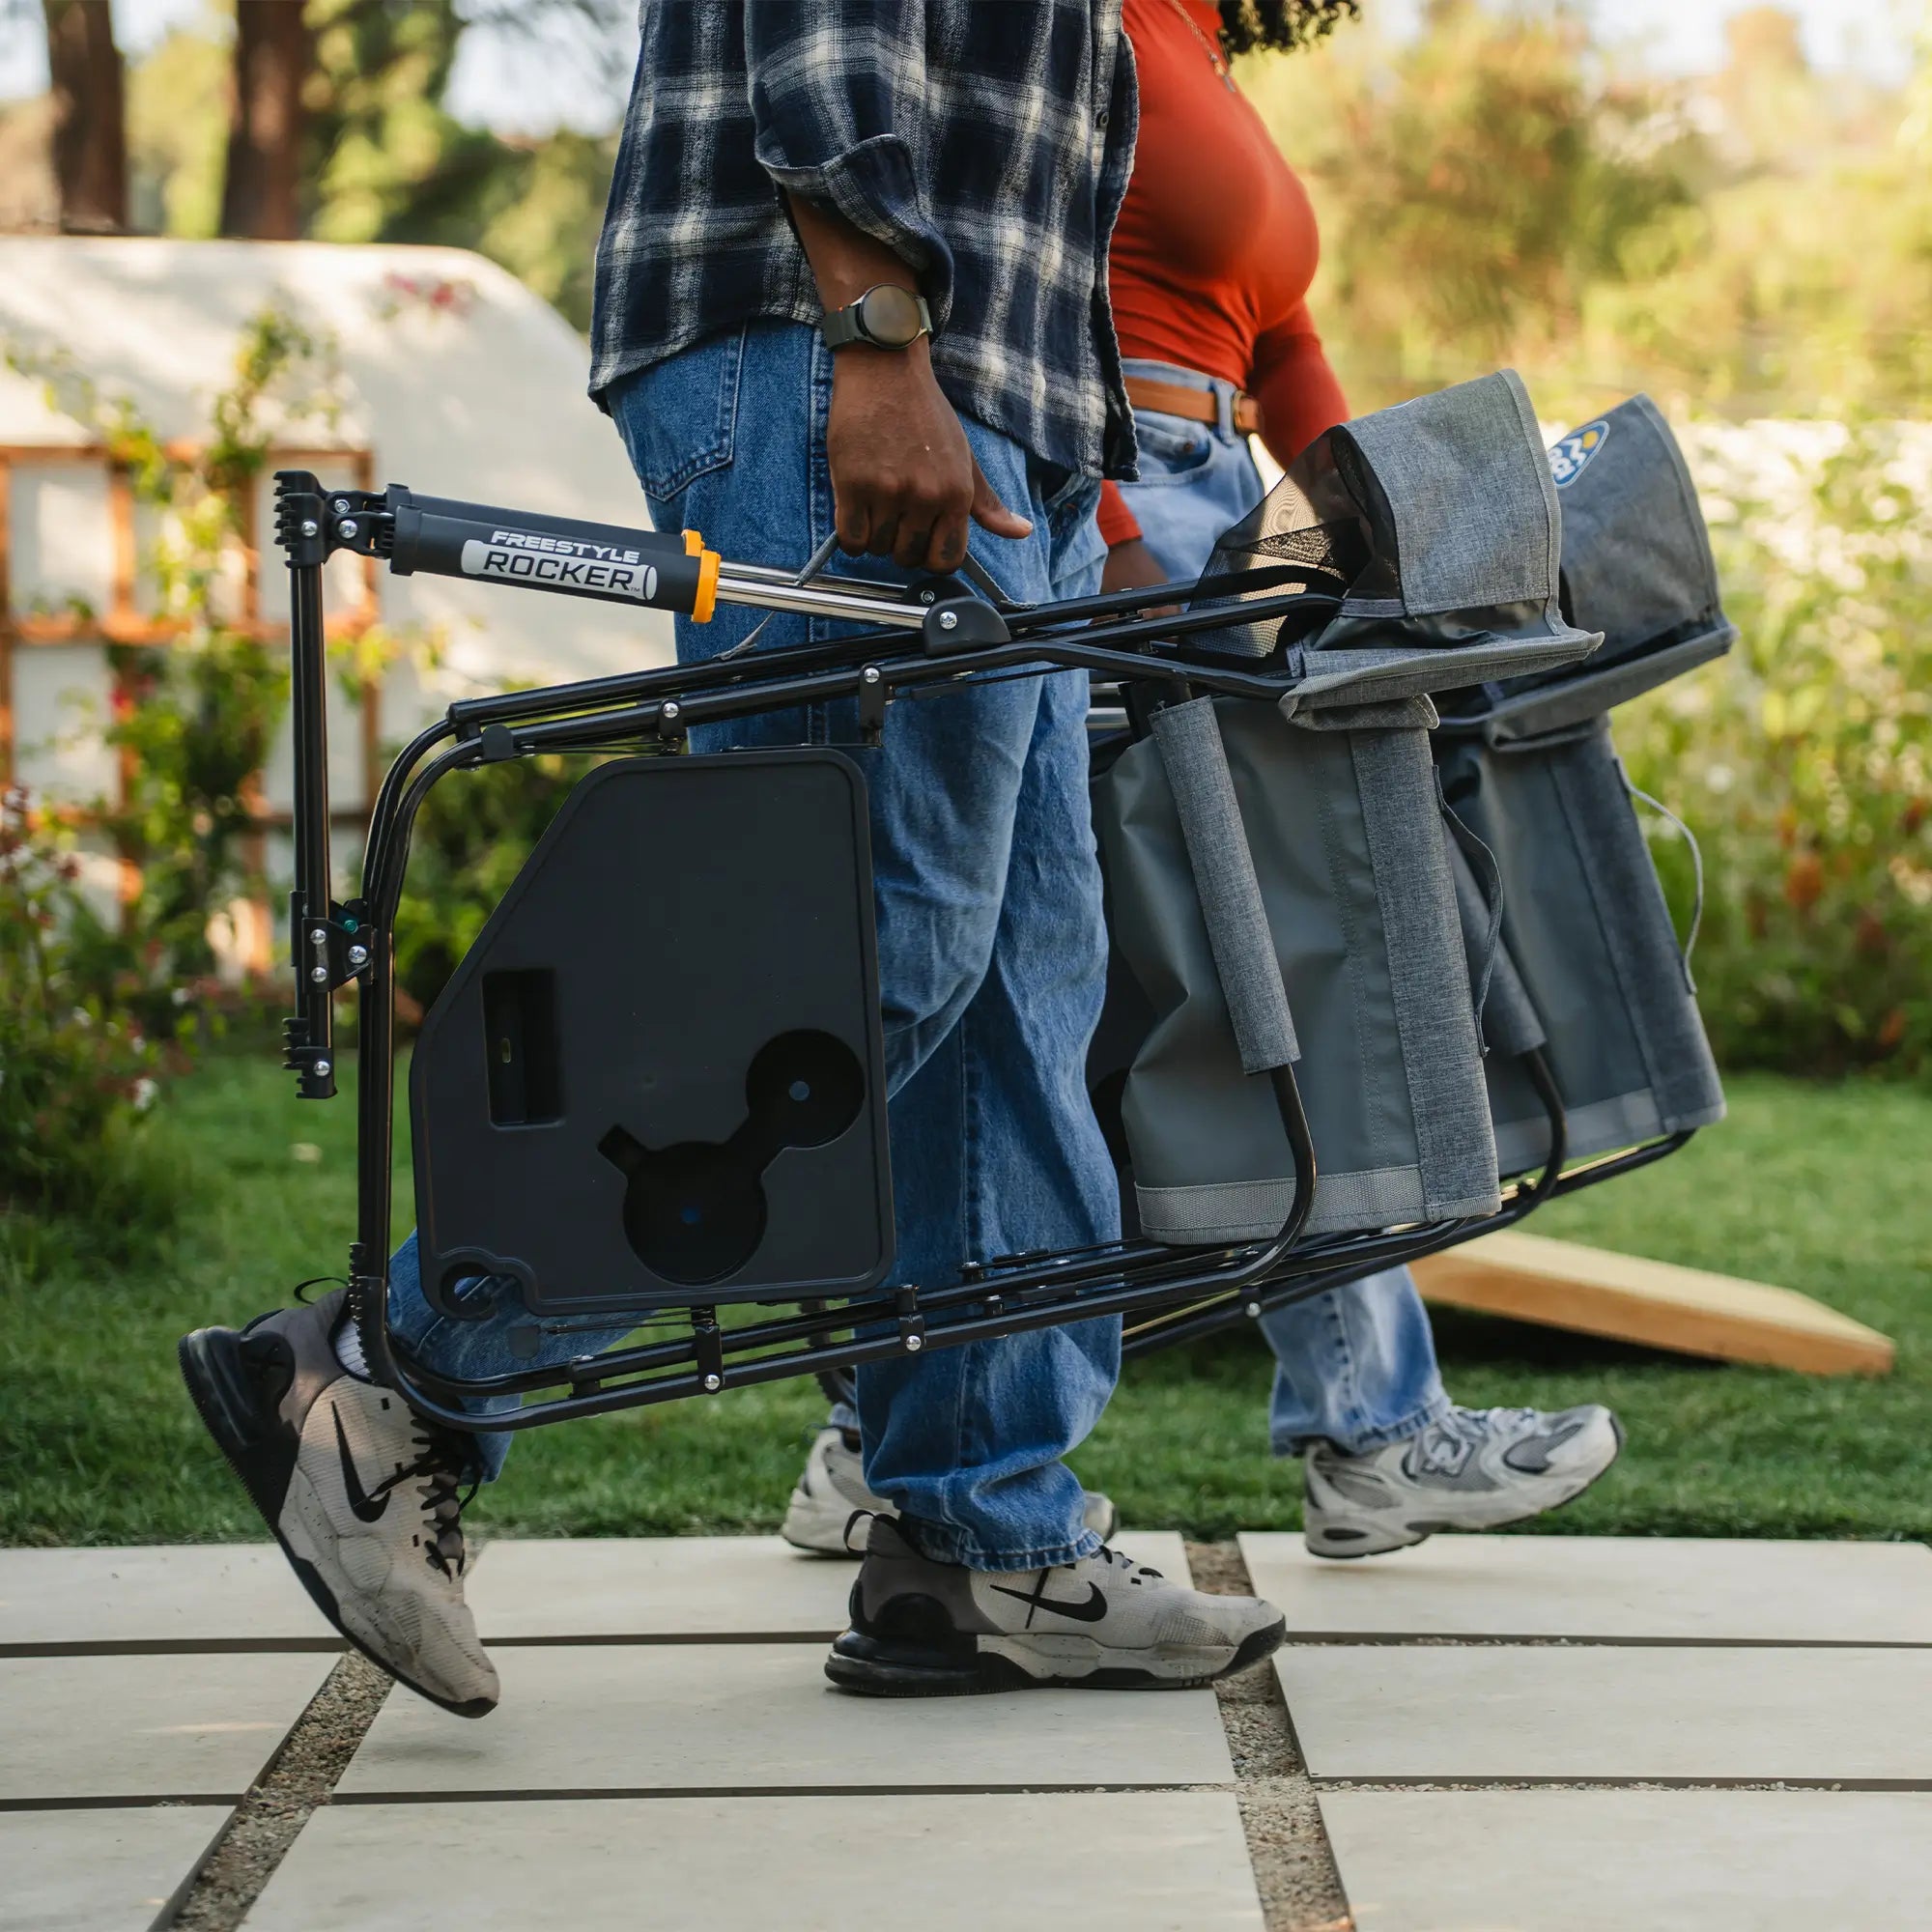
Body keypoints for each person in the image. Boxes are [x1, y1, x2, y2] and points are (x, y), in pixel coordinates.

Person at [178, 0, 1287, 1719]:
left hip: (1002, 400)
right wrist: (879, 334)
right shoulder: (864, 344)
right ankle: (388, 1381)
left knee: (1011, 993)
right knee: (844, 963)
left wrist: (1071, 464)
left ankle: (984, 1534)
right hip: (836, 352)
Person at [1099, 0, 1625, 1557]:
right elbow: (1014, 283)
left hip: (1207, 511)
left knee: (1239, 959)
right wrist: (1113, 543)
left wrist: (1377, 527)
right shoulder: (1071, 26)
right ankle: (1375, 1429)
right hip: (1107, 502)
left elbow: (1278, 338)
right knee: (1237, 962)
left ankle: (885, 1430)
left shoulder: (1190, 39)